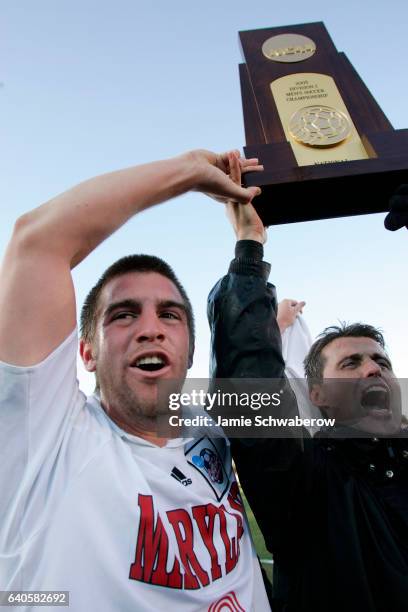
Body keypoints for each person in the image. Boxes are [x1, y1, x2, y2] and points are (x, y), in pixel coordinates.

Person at [0, 149, 275, 611]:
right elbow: (38, 240)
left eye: (170, 315)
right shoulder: (47, 441)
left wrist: (249, 243)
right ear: (85, 353)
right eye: (124, 315)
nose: (151, 328)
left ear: (188, 350)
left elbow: (253, 357)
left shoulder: (210, 428)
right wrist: (188, 172)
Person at [208, 157, 408, 611]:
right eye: (351, 363)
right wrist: (249, 247)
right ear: (316, 396)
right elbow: (250, 384)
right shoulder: (307, 483)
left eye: (381, 360)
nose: (372, 369)